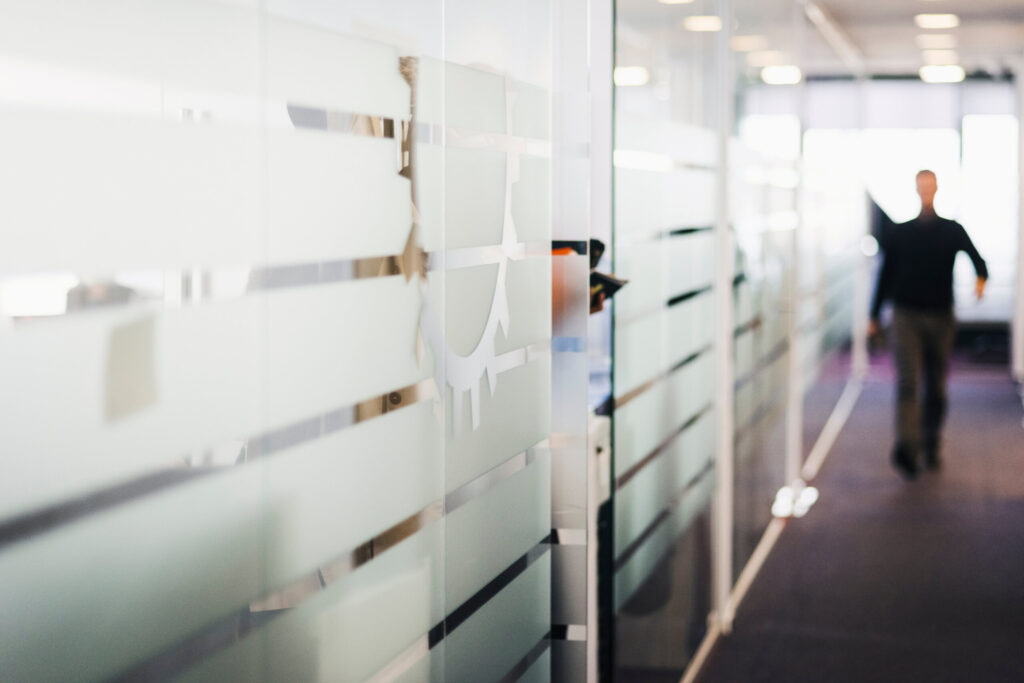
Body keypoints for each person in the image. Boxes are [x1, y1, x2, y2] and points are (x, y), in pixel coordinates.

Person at [869, 169, 987, 479]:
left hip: (940, 317)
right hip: (905, 316)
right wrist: (873, 316)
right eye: (921, 186)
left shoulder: (951, 230)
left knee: (936, 386)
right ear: (916, 189)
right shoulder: (900, 232)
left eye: (930, 186)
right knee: (908, 382)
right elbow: (885, 276)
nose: (926, 191)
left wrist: (980, 283)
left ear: (936, 189)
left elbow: (979, 262)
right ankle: (908, 448)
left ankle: (931, 441)